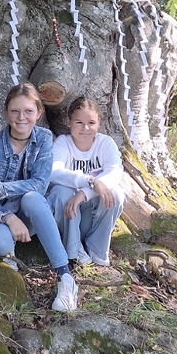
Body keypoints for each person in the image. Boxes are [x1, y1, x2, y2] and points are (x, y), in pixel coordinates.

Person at [0, 82, 78, 312]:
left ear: (39, 113)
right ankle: (11, 244)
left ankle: (65, 277)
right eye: (15, 111)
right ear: (6, 112)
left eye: (28, 111)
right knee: (0, 246)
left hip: (31, 212)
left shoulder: (45, 139)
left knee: (33, 197)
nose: (21, 118)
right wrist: (8, 217)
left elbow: (39, 184)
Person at [46, 97, 126, 267]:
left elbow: (115, 171)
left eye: (91, 122)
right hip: (69, 217)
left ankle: (96, 246)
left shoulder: (105, 143)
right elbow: (54, 171)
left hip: (92, 215)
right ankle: (74, 249)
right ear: (68, 122)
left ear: (99, 123)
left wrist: (83, 193)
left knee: (116, 193)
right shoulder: (63, 143)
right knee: (60, 191)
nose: (85, 128)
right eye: (79, 122)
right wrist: (90, 180)